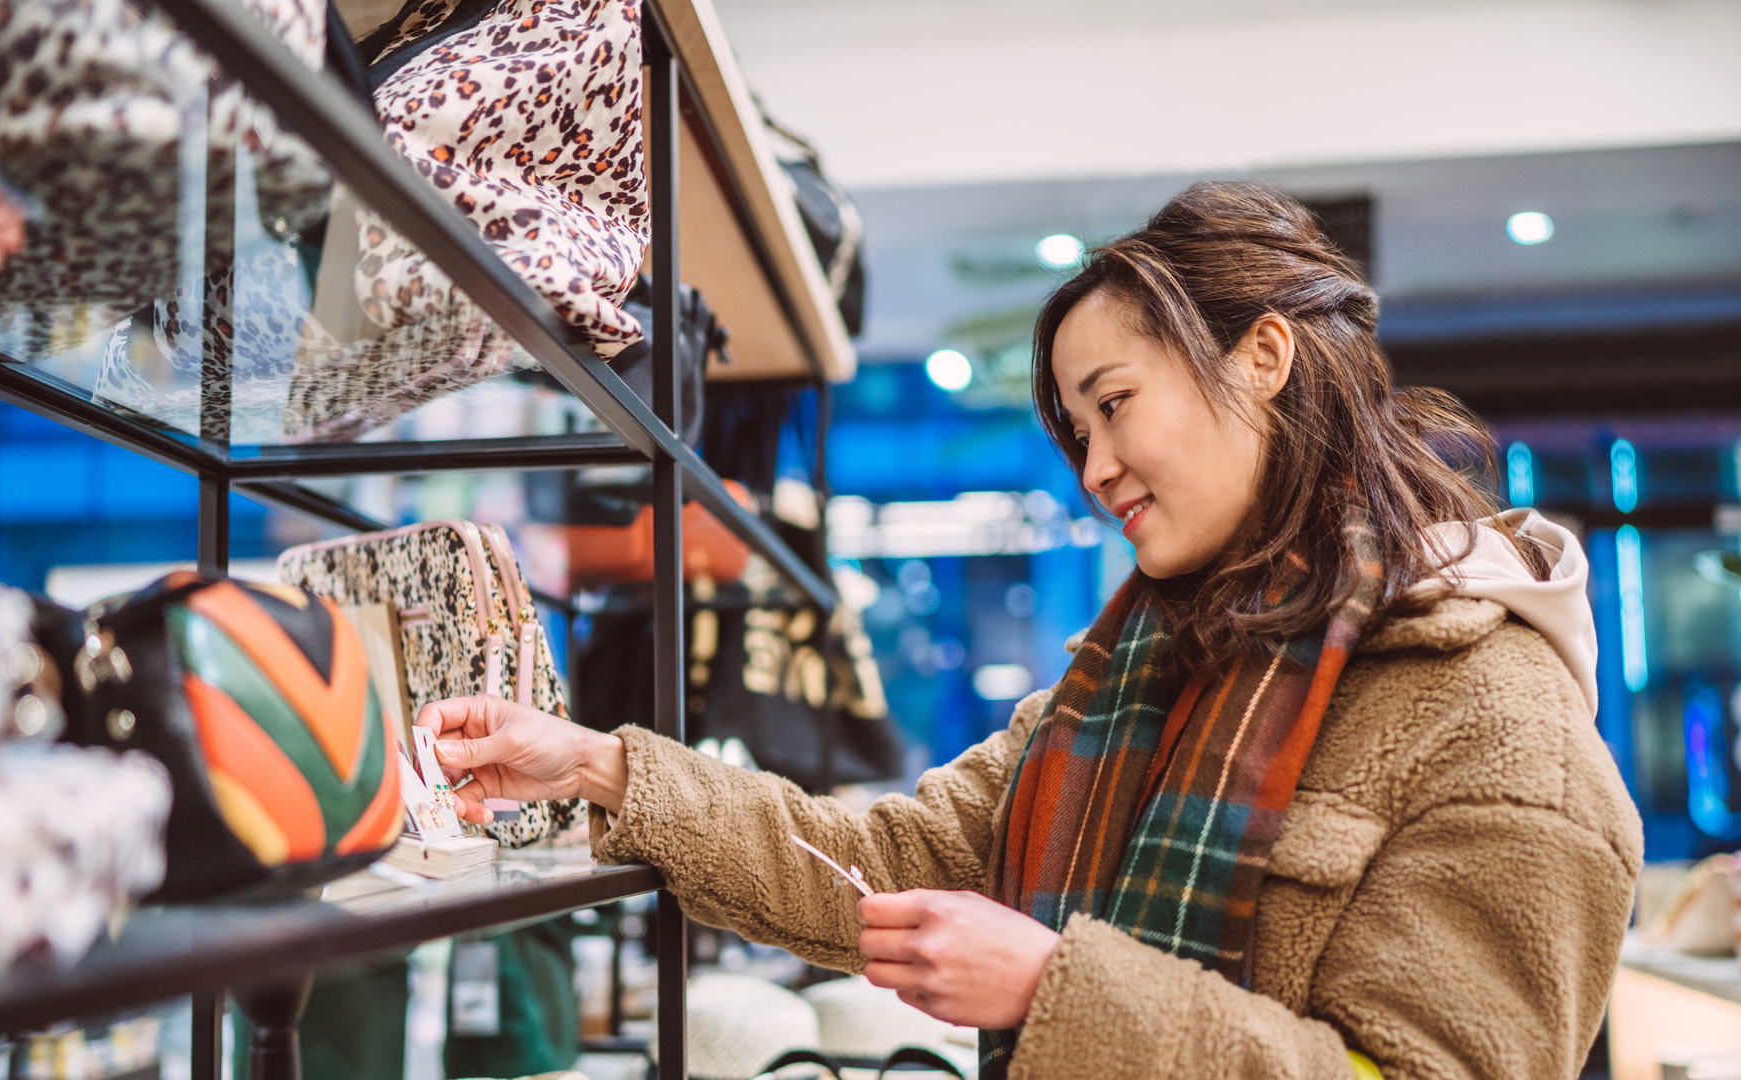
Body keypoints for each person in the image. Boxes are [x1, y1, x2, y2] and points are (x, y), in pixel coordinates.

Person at [417, 181, 1641, 1080]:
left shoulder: (1499, 726)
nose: (1097, 467)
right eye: (1076, 430)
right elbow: (882, 862)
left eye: (1116, 405)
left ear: (1264, 355)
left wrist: (1058, 992)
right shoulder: (1138, 675)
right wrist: (599, 764)